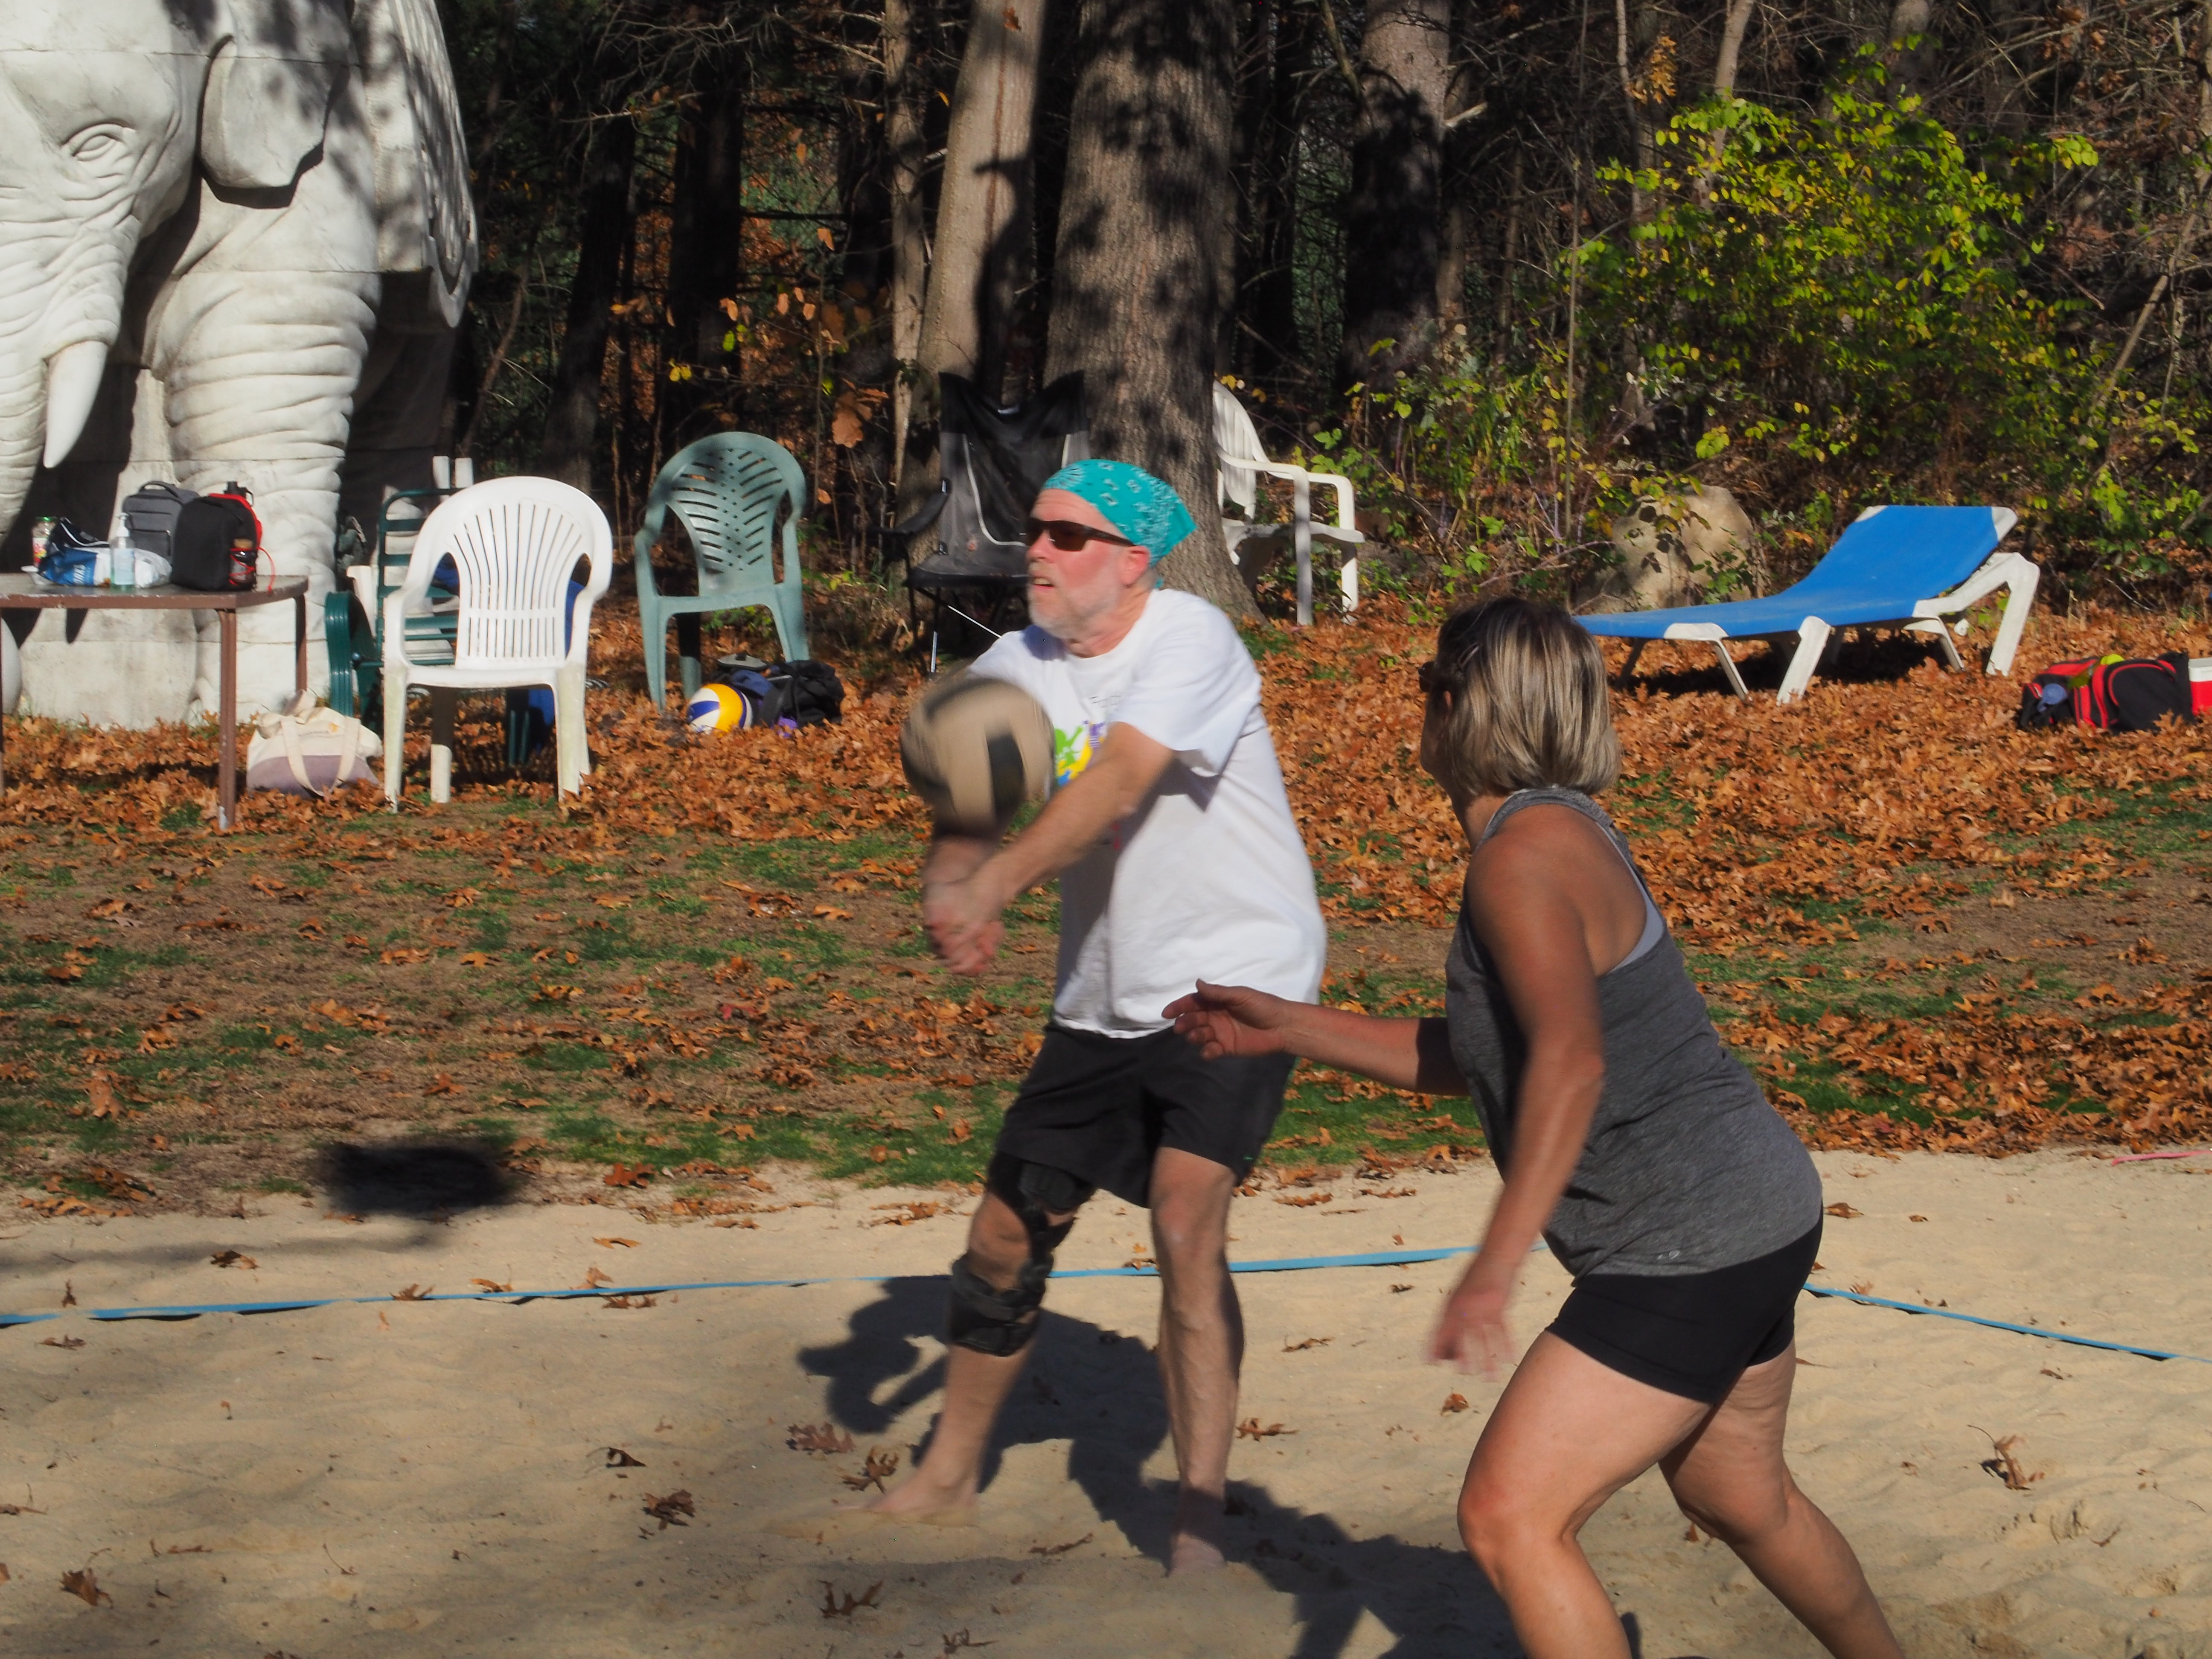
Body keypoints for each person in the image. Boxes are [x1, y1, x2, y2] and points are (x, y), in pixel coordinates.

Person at [1165, 597, 1904, 1658]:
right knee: (1740, 1497)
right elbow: (1493, 1055)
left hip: (1688, 1244)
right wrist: (1287, 1026)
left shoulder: (1519, 860)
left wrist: (1492, 1268)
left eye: (1428, 682)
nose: (1419, 700)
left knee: (1510, 1518)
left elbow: (1570, 1061)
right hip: (1756, 1211)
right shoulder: (1559, 831)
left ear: (1456, 705)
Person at [868, 459, 1327, 1575]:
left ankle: (1199, 1515)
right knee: (1003, 1237)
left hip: (1236, 980)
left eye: (1069, 536)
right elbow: (970, 800)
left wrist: (999, 884)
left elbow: (1121, 777)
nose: (1038, 549)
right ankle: (947, 1477)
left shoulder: (1190, 638)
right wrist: (954, 877)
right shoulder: (1014, 664)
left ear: (1133, 561)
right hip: (1103, 996)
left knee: (1184, 1221)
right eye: (1035, 530)